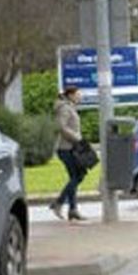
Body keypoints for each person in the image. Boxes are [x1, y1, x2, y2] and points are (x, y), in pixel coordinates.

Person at [51, 85, 87, 223]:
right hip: (66, 148)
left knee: (76, 176)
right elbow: (62, 127)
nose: (80, 97)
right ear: (71, 95)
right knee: (78, 176)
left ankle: (73, 210)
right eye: (78, 94)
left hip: (72, 147)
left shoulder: (70, 107)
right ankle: (59, 202)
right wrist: (77, 138)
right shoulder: (64, 108)